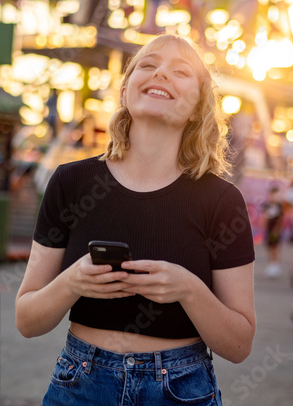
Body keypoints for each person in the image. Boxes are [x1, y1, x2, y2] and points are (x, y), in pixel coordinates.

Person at [16, 34, 256, 405]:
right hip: (80, 383)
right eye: (148, 65)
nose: (161, 73)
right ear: (126, 92)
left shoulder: (222, 201)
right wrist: (72, 281)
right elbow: (26, 320)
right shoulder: (70, 182)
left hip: (181, 390)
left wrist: (188, 290)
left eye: (180, 72)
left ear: (197, 106)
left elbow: (239, 345)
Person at [262, 186, 284, 278]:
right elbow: (264, 218)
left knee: (275, 247)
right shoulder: (267, 205)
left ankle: (275, 265)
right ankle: (271, 264)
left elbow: (281, 219)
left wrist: (277, 229)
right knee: (270, 247)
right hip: (269, 229)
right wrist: (263, 229)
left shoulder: (279, 206)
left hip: (275, 230)